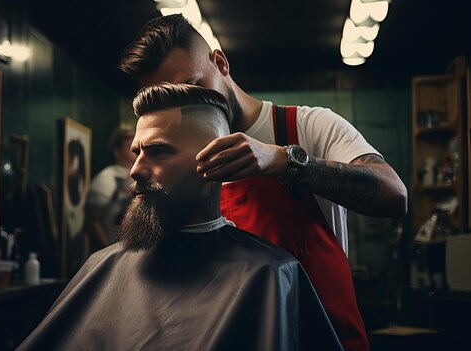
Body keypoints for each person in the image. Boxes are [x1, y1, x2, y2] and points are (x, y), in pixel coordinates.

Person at [119, 14, 408, 351]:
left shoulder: (308, 126)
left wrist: (286, 161)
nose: (191, 107)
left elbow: (395, 195)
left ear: (220, 62)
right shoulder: (176, 168)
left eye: (194, 86)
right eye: (173, 99)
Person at [18, 83, 343, 351]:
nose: (136, 170)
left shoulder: (270, 274)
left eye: (159, 151)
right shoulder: (101, 266)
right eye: (137, 152)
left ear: (216, 160)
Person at [85, 125, 136, 250]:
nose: (134, 146)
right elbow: (92, 220)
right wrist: (105, 250)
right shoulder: (106, 178)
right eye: (129, 142)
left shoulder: (142, 174)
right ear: (117, 151)